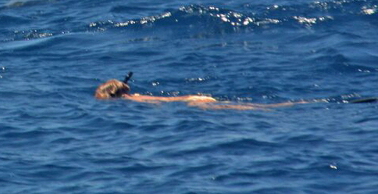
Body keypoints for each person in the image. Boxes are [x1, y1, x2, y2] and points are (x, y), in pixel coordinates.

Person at [94, 72, 307, 110]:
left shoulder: (134, 100)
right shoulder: (135, 97)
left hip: (193, 101)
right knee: (247, 107)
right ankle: (290, 105)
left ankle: (287, 106)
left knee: (249, 109)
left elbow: (158, 103)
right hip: (193, 99)